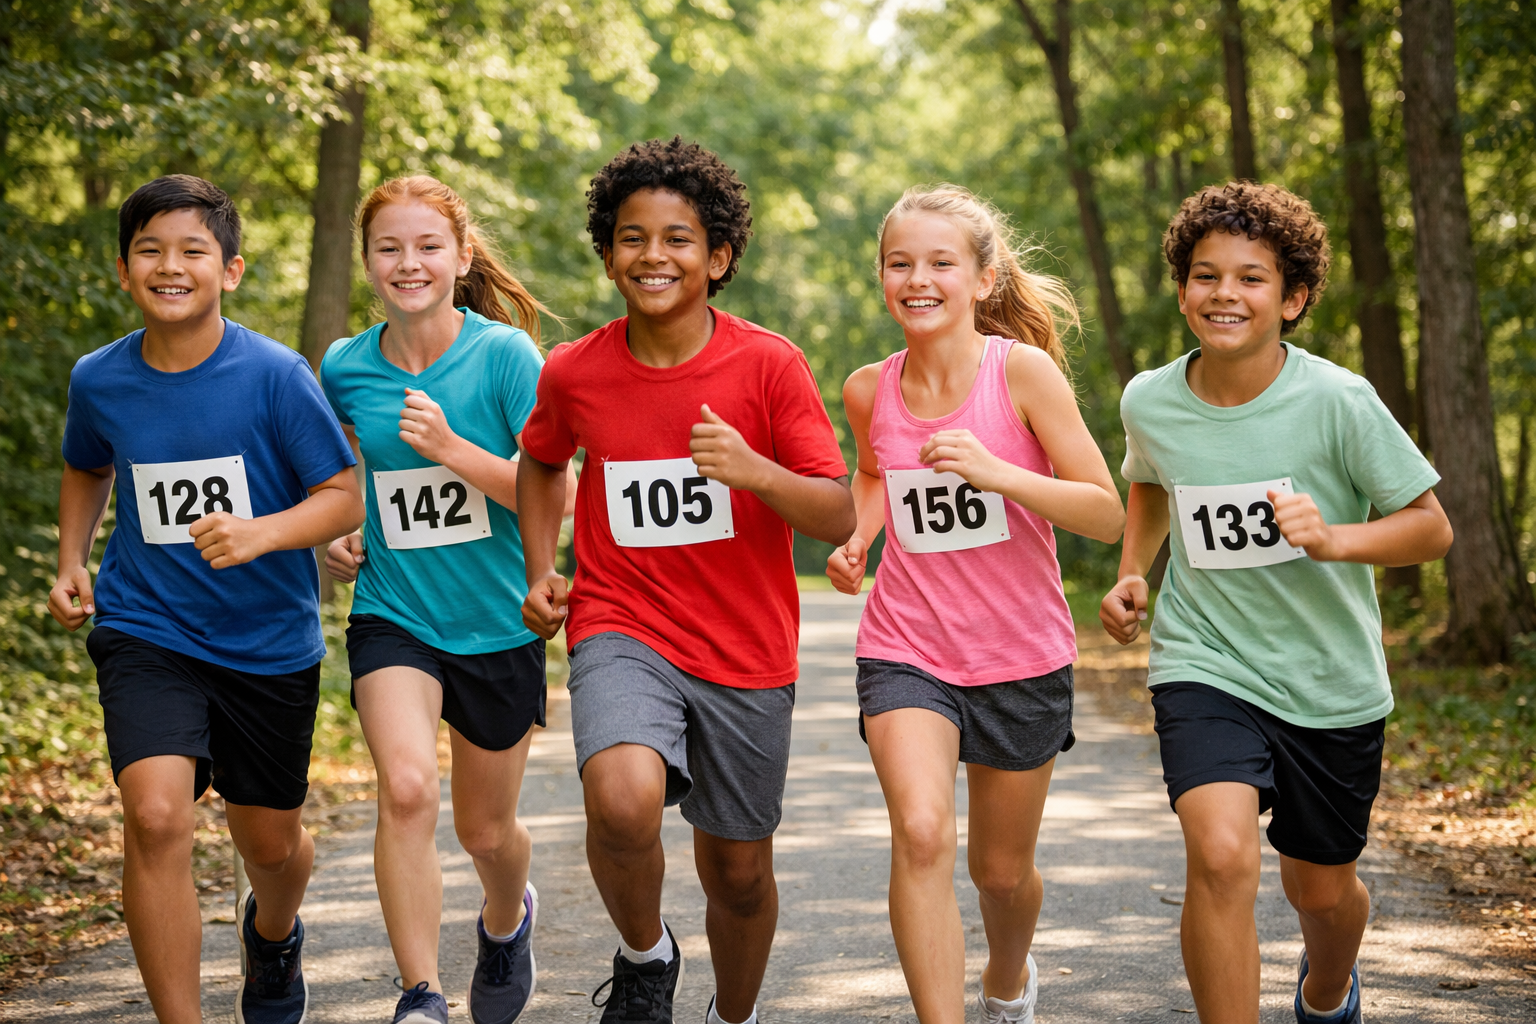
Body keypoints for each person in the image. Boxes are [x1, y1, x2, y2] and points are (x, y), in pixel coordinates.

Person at [516, 137, 856, 1024]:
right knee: (621, 796)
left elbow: (836, 512)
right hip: (621, 622)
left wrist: (756, 473)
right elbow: (542, 463)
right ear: (606, 254)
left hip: (745, 646)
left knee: (738, 874)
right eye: (632, 238)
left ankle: (731, 1016)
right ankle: (644, 957)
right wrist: (541, 568)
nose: (653, 256)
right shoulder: (576, 370)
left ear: (719, 257)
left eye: (677, 239)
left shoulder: (768, 365)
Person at [1099, 183, 1453, 1024]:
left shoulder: (1339, 401)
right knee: (1220, 855)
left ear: (1292, 299)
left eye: (1252, 279)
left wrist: (1332, 538)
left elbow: (1430, 529)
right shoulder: (1150, 398)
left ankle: (1328, 988)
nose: (1225, 294)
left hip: (1328, 679)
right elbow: (1149, 483)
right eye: (1205, 275)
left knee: (1322, 893)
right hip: (1206, 659)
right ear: (1182, 289)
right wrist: (1132, 572)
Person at [47, 175, 364, 1024]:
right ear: (123, 271)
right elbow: (88, 463)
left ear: (231, 269)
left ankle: (274, 932)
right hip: (147, 627)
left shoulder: (273, 375)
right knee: (154, 816)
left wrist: (260, 533)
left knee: (271, 845)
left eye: (192, 250)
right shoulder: (100, 378)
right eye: (150, 250)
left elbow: (342, 494)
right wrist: (73, 557)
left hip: (267, 645)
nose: (170, 265)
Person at [824, 185, 1124, 1024]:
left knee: (1000, 873)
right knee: (921, 833)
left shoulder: (1021, 374)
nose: (917, 279)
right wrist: (859, 537)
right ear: (882, 276)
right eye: (899, 263)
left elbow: (1105, 511)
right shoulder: (866, 388)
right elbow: (877, 475)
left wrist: (998, 472)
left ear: (983, 279)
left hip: (1021, 654)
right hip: (906, 646)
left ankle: (1006, 982)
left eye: (939, 263)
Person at [320, 175, 574, 1024]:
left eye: (428, 245)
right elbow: (349, 480)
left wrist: (455, 449)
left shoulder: (505, 357)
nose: (408, 263)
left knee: (486, 835)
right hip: (395, 614)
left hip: (497, 621)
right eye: (389, 247)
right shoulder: (346, 366)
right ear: (367, 263)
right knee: (405, 790)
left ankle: (508, 919)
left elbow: (554, 497)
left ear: (461, 257)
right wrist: (341, 530)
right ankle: (420, 993)